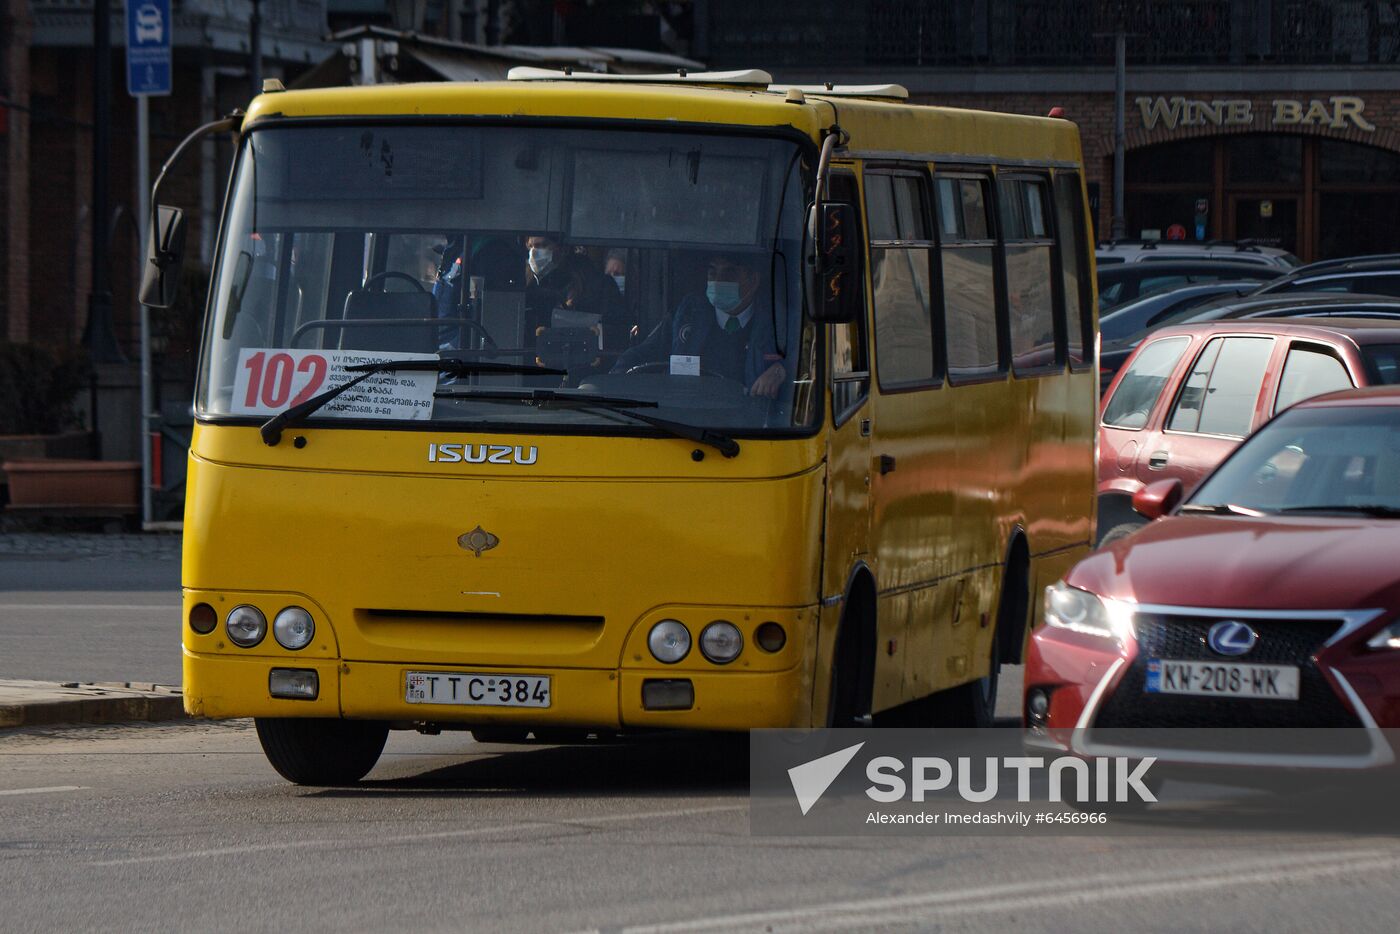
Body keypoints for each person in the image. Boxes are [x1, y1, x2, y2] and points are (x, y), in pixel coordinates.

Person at [612, 252, 787, 397]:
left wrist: (782, 370)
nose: (718, 281)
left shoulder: (777, 323)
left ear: (753, 280)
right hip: (689, 420)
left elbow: (805, 362)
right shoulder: (687, 315)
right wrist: (610, 384)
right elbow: (641, 355)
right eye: (713, 272)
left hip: (754, 428)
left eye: (729, 273)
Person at [523, 234, 629, 348]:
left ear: (563, 249)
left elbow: (616, 331)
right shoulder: (526, 285)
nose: (534, 253)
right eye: (530, 247)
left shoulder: (596, 284)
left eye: (542, 246)